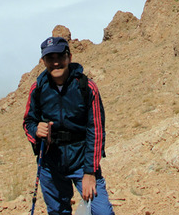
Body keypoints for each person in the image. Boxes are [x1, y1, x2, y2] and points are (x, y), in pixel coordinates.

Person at [23, 36, 115, 215]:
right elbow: (28, 122)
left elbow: (95, 130)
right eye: (50, 58)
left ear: (69, 57)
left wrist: (90, 172)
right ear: (43, 61)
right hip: (51, 164)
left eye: (60, 57)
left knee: (102, 212)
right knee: (58, 211)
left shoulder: (86, 87)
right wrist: (37, 131)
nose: (56, 63)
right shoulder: (38, 89)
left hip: (81, 162)